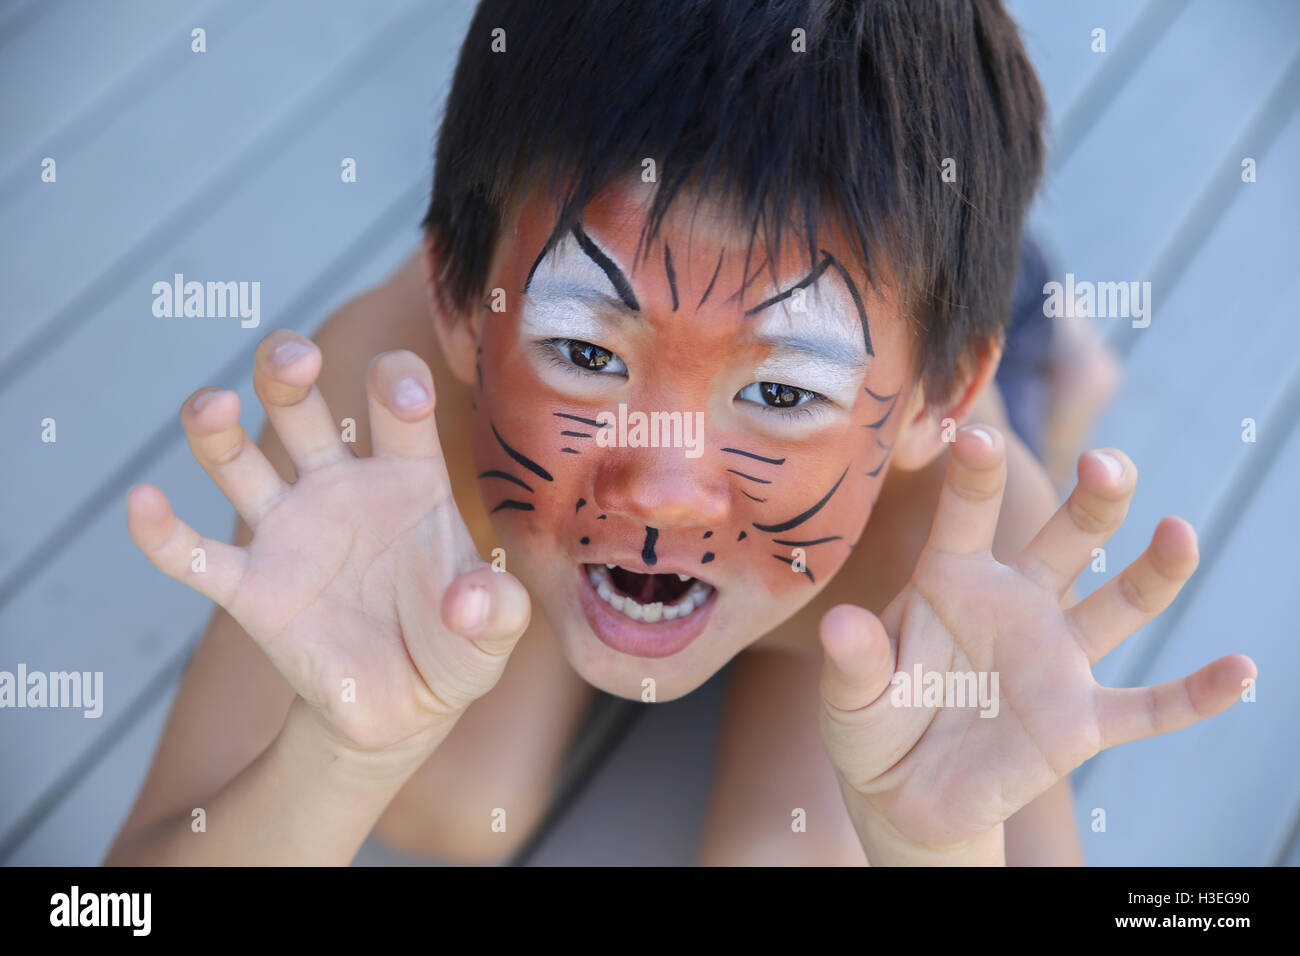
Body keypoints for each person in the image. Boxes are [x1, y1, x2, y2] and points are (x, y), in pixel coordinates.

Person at [106, 0, 1253, 866]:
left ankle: (1056, 365)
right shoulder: (380, 400)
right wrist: (337, 751)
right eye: (589, 354)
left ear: (933, 399)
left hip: (862, 559)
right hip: (591, 536)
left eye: (782, 392)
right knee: (447, 802)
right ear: (460, 297)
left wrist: (935, 852)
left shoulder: (961, 524)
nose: (661, 487)